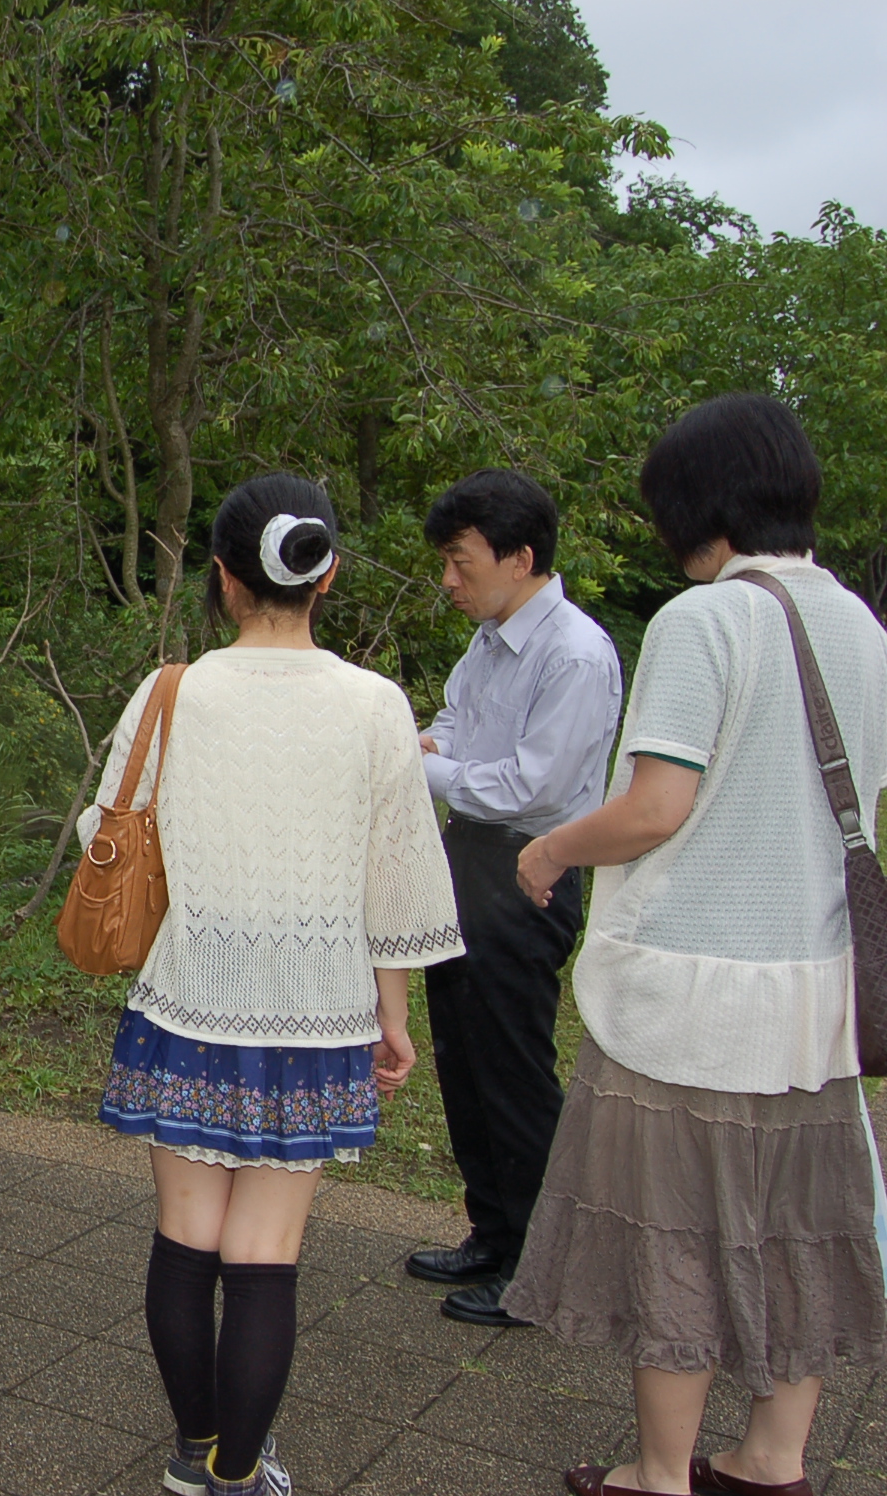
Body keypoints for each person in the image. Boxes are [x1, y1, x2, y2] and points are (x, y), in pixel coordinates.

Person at [505, 393, 887, 1496]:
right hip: (817, 995)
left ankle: (658, 1471)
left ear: (691, 506)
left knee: (674, 1231)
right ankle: (773, 1458)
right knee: (797, 1228)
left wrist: (551, 852)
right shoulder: (859, 623)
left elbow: (657, 805)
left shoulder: (705, 620)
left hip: (690, 999)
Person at [82, 475, 462, 1496]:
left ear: (223, 576)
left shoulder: (174, 689)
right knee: (265, 1252)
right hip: (318, 1017)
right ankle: (241, 1473)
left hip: (187, 1006)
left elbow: (104, 835)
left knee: (184, 1238)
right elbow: (400, 876)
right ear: (326, 572)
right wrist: (394, 1015)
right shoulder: (376, 705)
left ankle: (195, 1448)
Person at [404, 469, 624, 1327]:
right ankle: (491, 1232)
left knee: (515, 1071)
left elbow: (533, 785)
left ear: (520, 556)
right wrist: (429, 740)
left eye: (460, 563)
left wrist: (415, 762)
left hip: (530, 872)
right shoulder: (491, 640)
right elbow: (459, 724)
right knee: (463, 1055)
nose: (449, 581)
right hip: (468, 861)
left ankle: (541, 1266)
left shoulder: (574, 652)